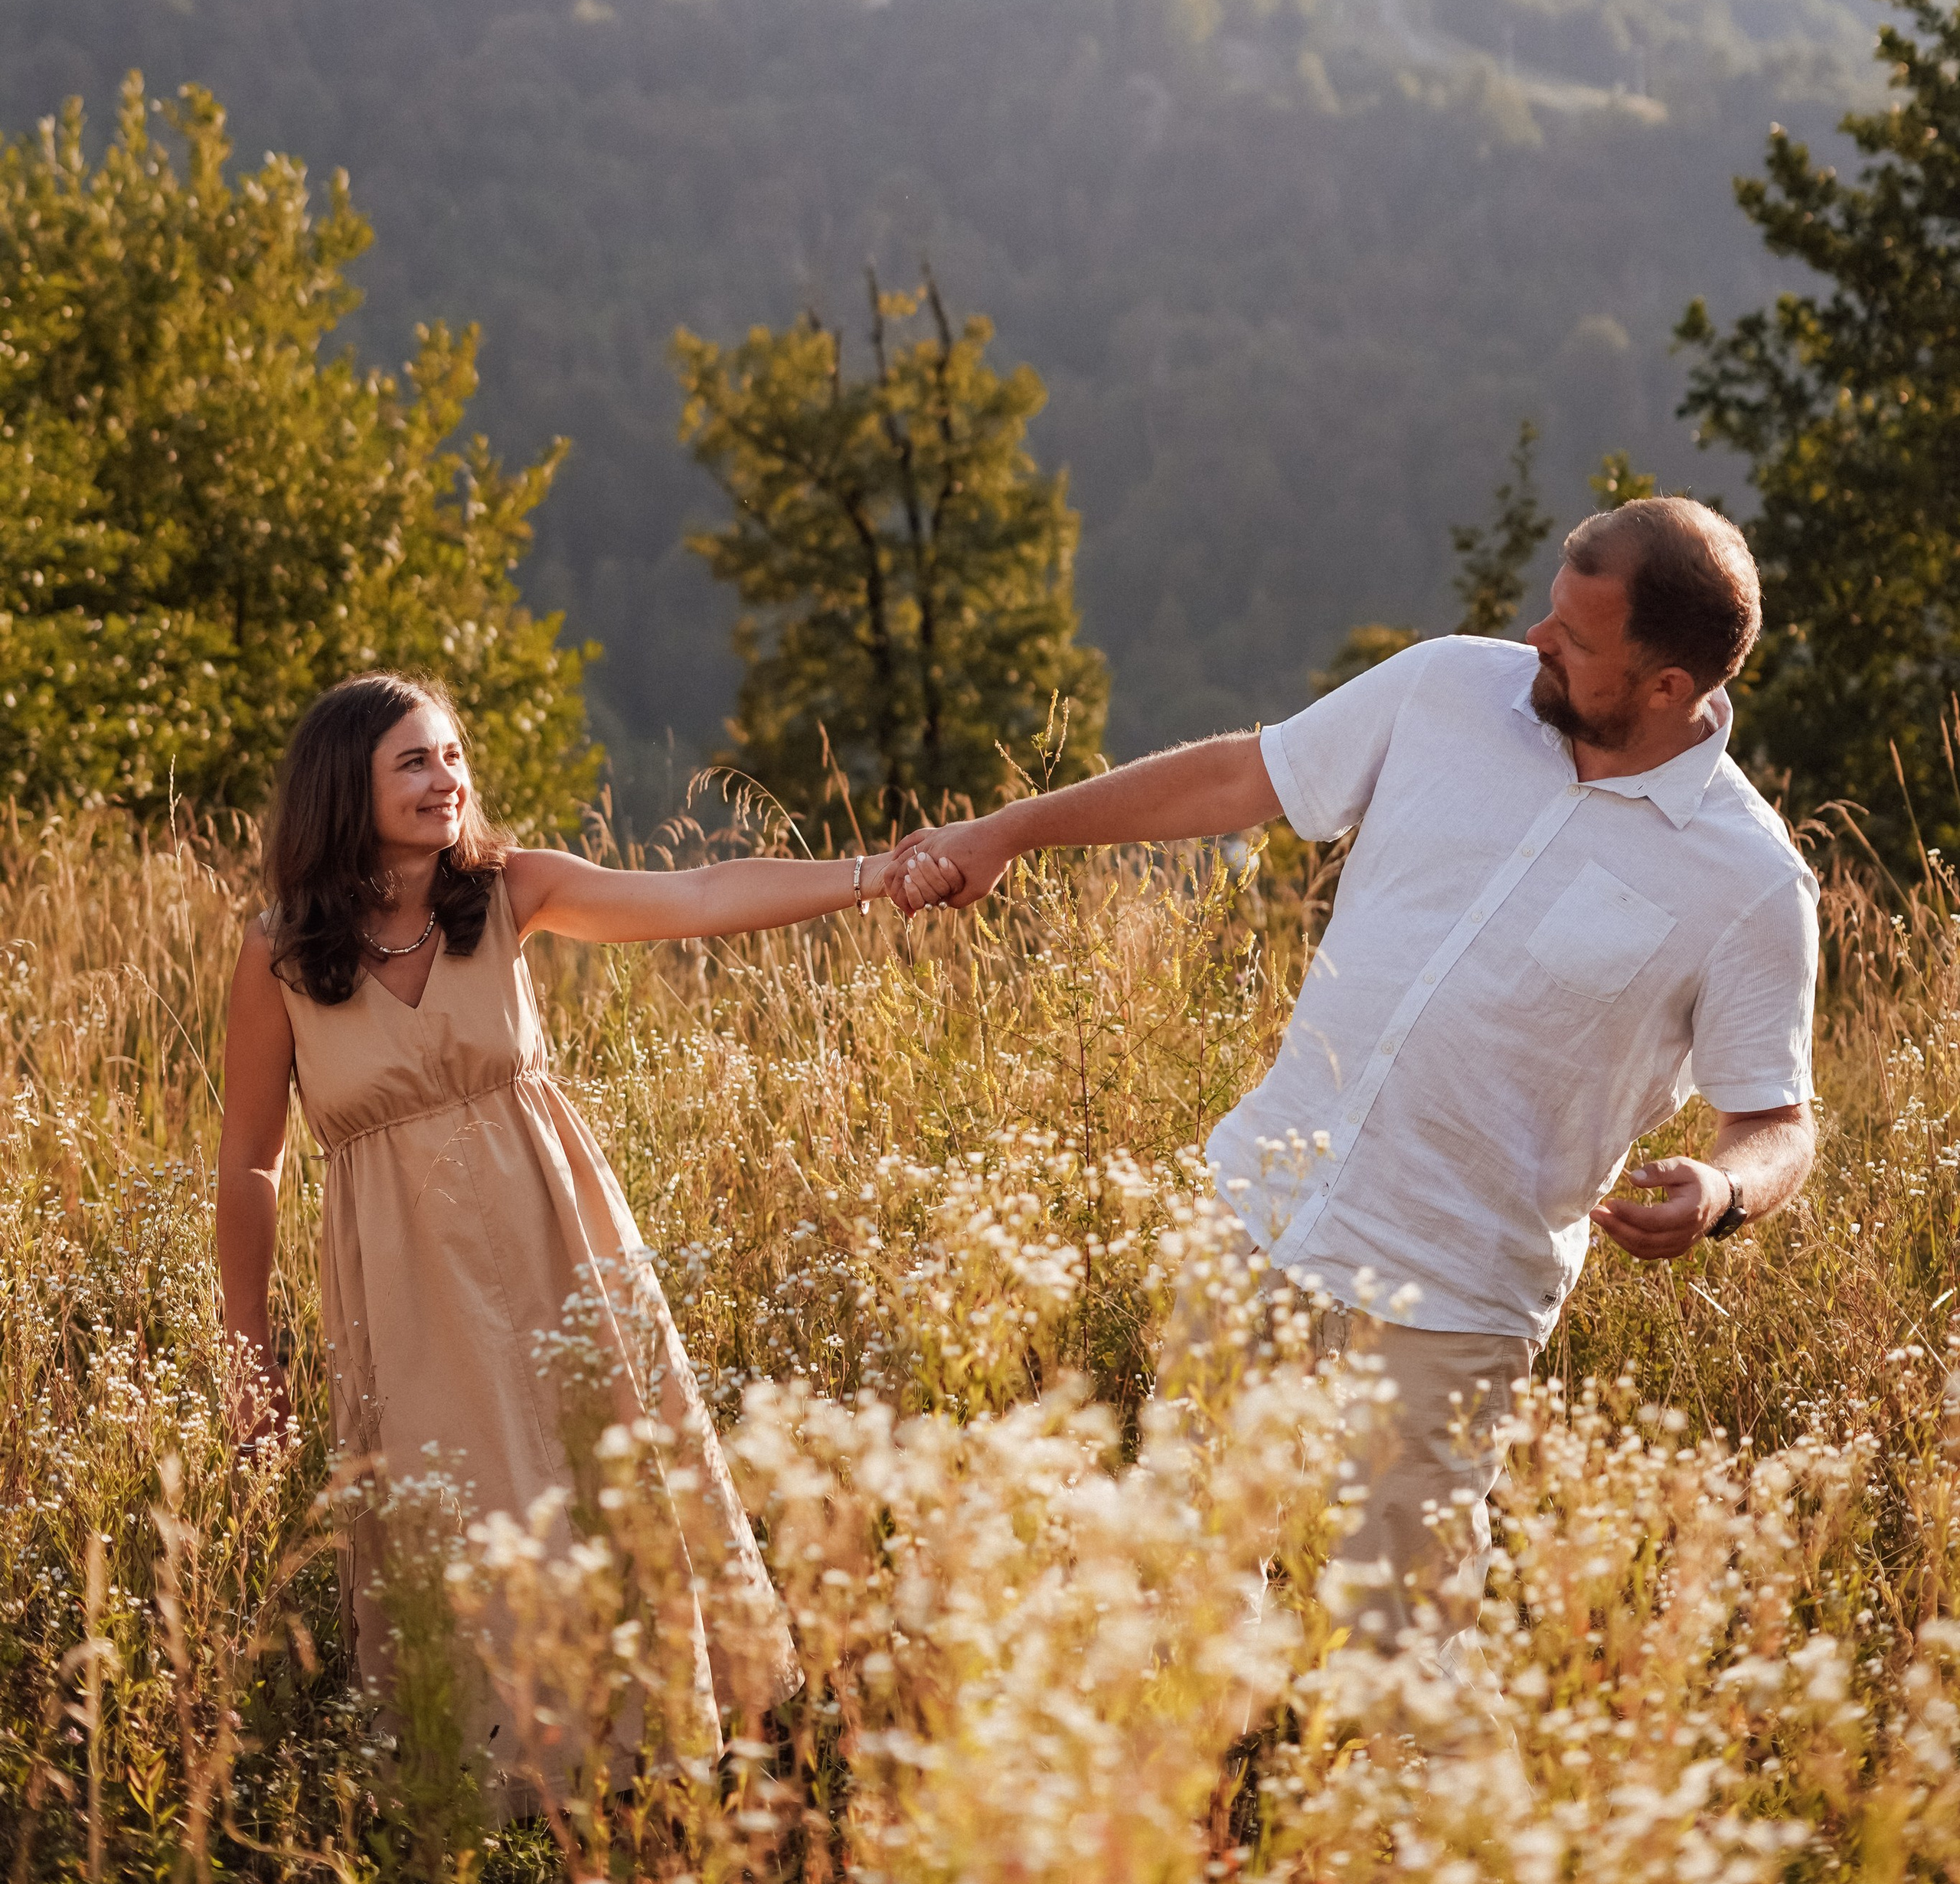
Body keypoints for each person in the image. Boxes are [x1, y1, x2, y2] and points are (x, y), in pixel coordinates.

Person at [889, 496, 1818, 1671]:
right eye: (1551, 611)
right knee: (1172, 1595)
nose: (1536, 639)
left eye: (1579, 643)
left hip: (1456, 1292)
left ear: (1671, 687)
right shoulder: (1447, 689)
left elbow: (1779, 1119)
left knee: (1401, 1659)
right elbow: (1240, 779)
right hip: (1267, 1217)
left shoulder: (1750, 881)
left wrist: (1725, 1192)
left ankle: (1430, 1851)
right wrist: (1012, 831)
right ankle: (1205, 1839)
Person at [217, 671, 956, 1783]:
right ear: (341, 788)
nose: (447, 779)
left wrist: (868, 876)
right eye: (414, 761)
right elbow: (249, 1164)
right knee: (459, 1520)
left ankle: (657, 1772)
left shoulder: (510, 892)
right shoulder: (279, 957)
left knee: (605, 1483)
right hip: (407, 1290)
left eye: (453, 755)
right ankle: (501, 1799)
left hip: (557, 1243)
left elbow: (697, 894)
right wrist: (248, 1352)